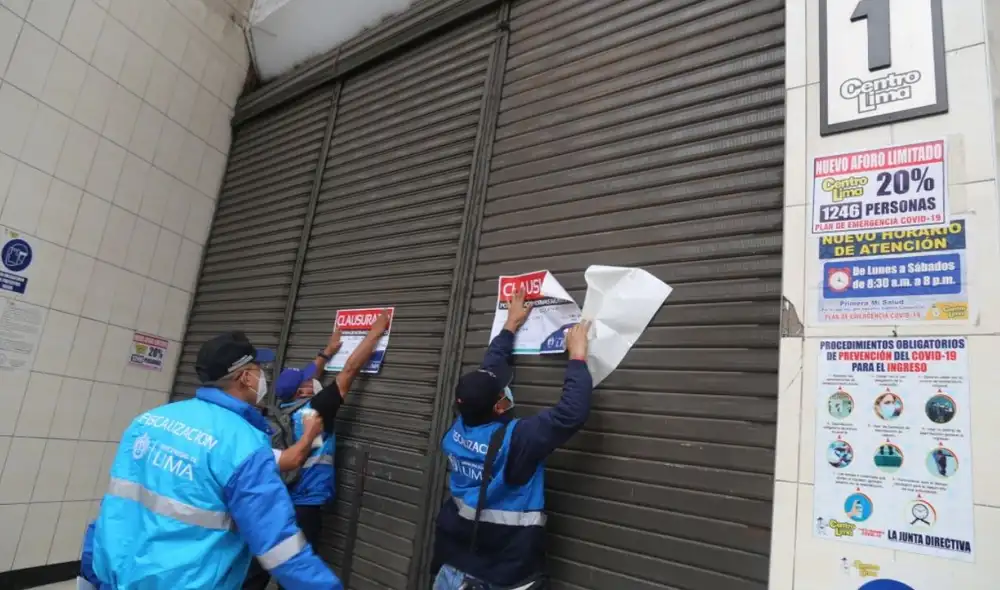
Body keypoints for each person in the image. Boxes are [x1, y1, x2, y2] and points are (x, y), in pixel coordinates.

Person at [83, 331, 342, 590]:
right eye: (259, 368)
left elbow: (115, 507)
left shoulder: (149, 421)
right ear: (245, 377)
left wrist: (91, 571)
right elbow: (279, 546)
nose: (263, 376)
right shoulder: (243, 445)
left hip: (117, 579)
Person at [432, 289, 593, 590]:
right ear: (498, 406)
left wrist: (510, 326)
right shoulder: (515, 440)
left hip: (455, 563)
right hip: (499, 572)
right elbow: (571, 414)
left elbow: (489, 373)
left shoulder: (458, 427)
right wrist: (578, 356)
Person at [243, 309, 392, 590]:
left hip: (275, 501)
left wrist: (327, 350)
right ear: (303, 389)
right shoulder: (317, 410)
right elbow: (349, 370)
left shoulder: (275, 413)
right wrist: (376, 331)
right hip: (304, 506)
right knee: (296, 572)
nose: (313, 375)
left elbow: (306, 376)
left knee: (259, 568)